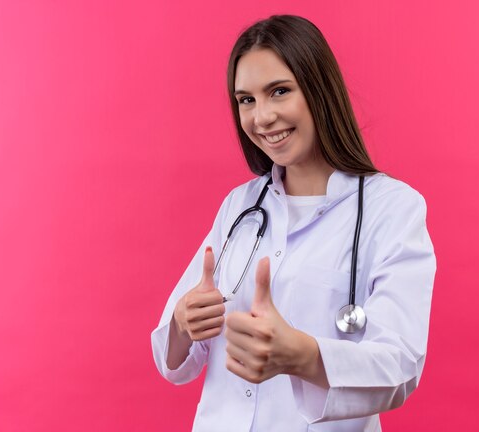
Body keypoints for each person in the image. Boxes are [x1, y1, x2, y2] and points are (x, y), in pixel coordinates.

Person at [151, 15, 436, 431]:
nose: (261, 117)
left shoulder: (392, 209)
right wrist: (183, 322)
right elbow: (174, 360)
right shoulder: (240, 207)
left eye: (279, 91)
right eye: (246, 100)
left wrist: (301, 355)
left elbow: (400, 366)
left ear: (319, 91)